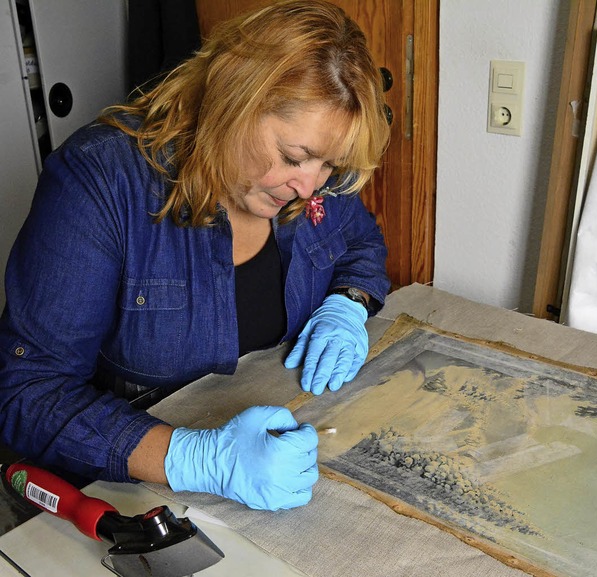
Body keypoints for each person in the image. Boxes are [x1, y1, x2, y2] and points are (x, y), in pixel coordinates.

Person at [0, 0, 390, 511]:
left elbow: (359, 244)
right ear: (233, 97)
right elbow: (27, 391)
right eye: (294, 157)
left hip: (275, 466)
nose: (307, 186)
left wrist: (350, 304)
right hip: (121, 494)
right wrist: (193, 457)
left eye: (328, 166)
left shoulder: (317, 184)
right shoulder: (99, 183)